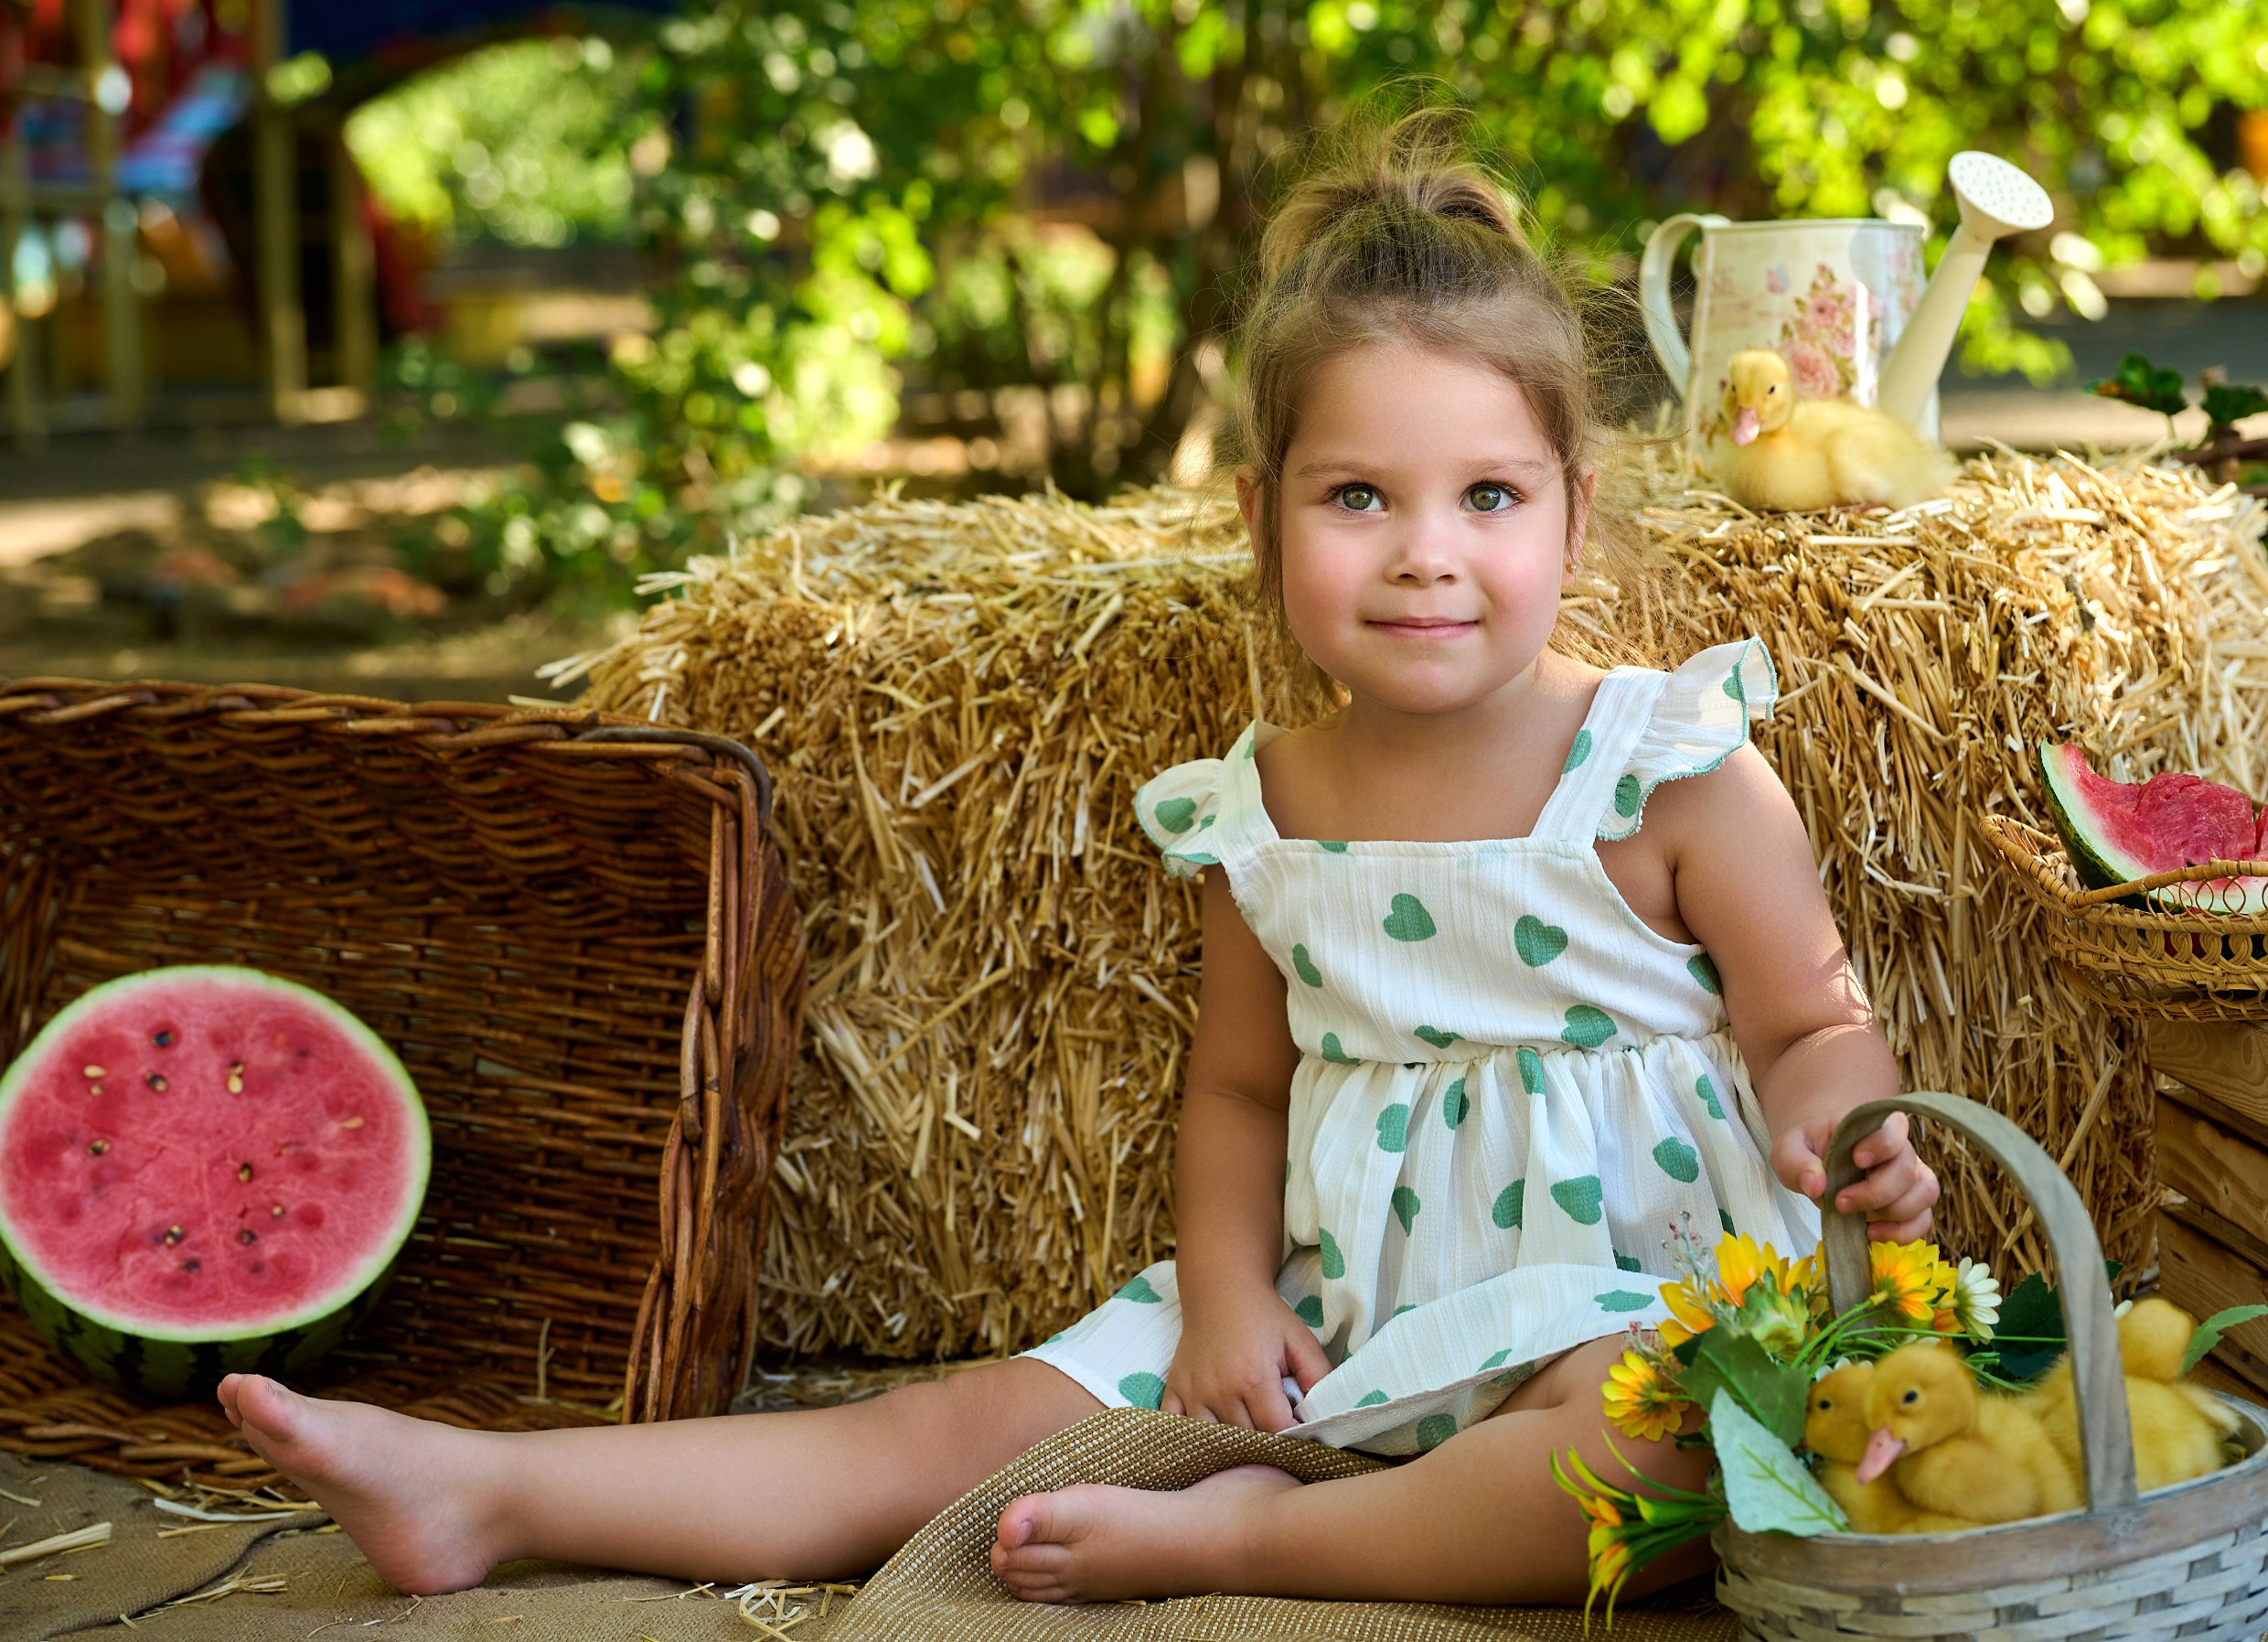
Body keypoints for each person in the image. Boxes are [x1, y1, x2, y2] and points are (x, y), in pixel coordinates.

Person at [214, 102, 1935, 1609]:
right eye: (1358, 498)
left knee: (1677, 1465)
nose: (1427, 555)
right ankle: (494, 1489)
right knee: (960, 1424)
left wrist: (1835, 1121)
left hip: (1625, 1299)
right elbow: (1242, 1094)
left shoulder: (1666, 767)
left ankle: (1252, 1549)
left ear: (1574, 503)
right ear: (1259, 520)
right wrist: (1226, 1307)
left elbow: (1811, 1018)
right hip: (1343, 1309)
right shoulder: (1263, 807)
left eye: (1489, 497)